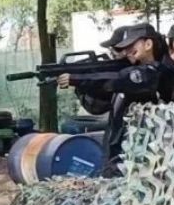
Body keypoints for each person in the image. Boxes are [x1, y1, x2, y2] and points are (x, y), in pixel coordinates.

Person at [58, 22, 167, 176]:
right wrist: (82, 84)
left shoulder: (151, 72)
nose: (125, 52)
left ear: (148, 44)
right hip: (118, 152)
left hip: (136, 155)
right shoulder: (132, 74)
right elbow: (97, 106)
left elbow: (118, 79)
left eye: (128, 47)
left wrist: (78, 79)